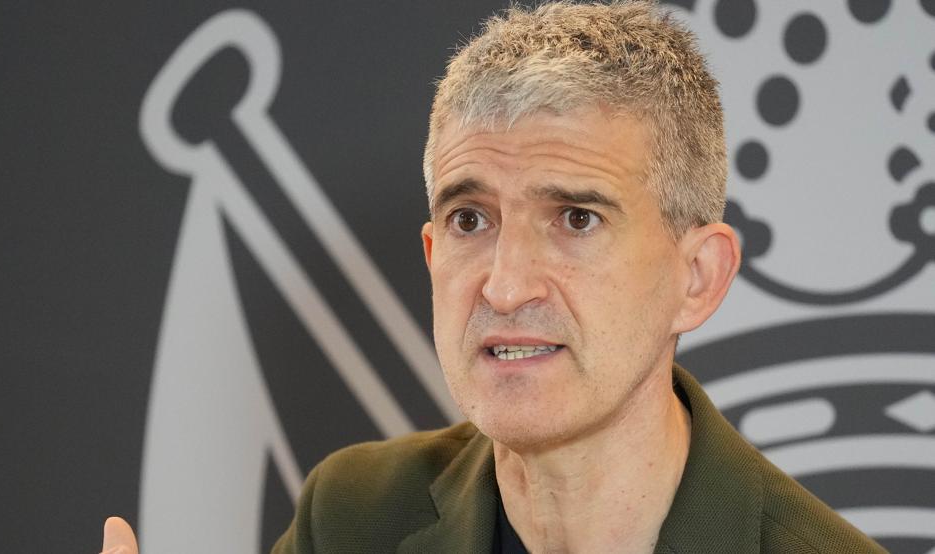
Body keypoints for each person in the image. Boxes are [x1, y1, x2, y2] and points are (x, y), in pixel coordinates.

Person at [102, 1, 886, 552]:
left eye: (576, 218)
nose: (506, 288)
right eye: (470, 221)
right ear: (432, 255)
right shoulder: (353, 519)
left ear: (698, 277)